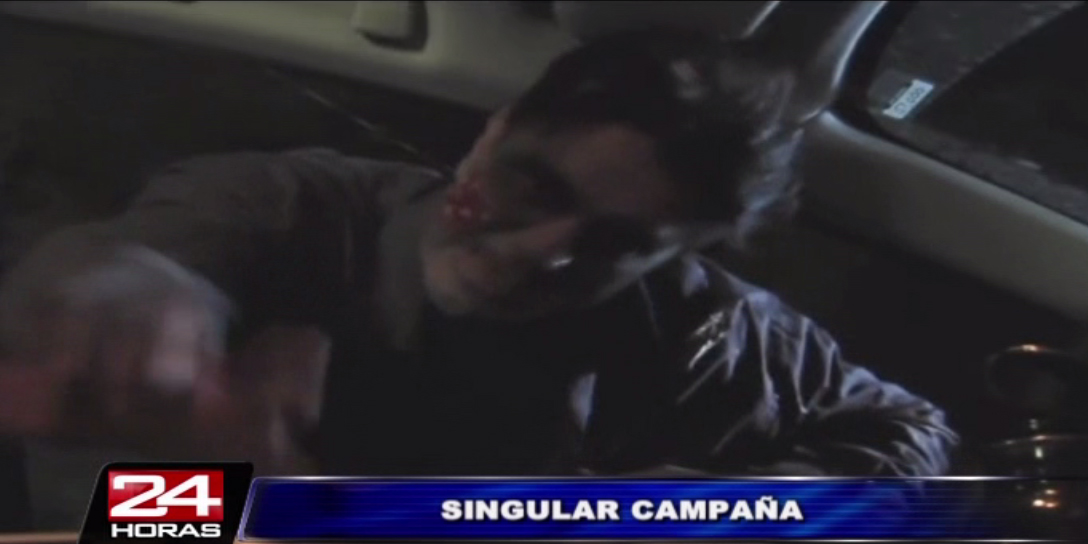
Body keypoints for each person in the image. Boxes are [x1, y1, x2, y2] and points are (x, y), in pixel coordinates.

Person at [0, 29, 957, 476]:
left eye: (617, 243)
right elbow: (146, 255)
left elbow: (906, 428)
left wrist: (713, 514)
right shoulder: (287, 207)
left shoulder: (704, 327)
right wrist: (131, 296)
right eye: (535, 188)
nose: (541, 255)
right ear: (492, 133)